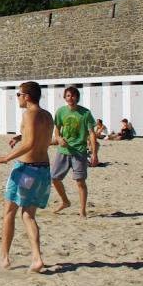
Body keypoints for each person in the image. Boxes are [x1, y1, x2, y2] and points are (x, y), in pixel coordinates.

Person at [0, 81, 54, 273]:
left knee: (9, 212)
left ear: (27, 96)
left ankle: (5, 258)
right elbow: (40, 139)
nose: (17, 97)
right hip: (43, 170)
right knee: (28, 215)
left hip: (26, 170)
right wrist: (20, 137)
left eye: (18, 94)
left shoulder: (29, 114)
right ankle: (36, 258)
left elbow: (30, 144)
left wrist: (5, 158)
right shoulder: (47, 115)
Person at [50, 86, 98, 217]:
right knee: (54, 178)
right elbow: (57, 129)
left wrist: (94, 153)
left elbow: (92, 133)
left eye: (72, 96)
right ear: (65, 98)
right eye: (68, 96)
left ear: (77, 97)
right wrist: (59, 138)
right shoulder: (60, 112)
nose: (70, 98)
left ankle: (82, 210)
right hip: (63, 151)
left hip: (79, 151)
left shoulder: (85, 113)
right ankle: (65, 201)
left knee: (80, 181)